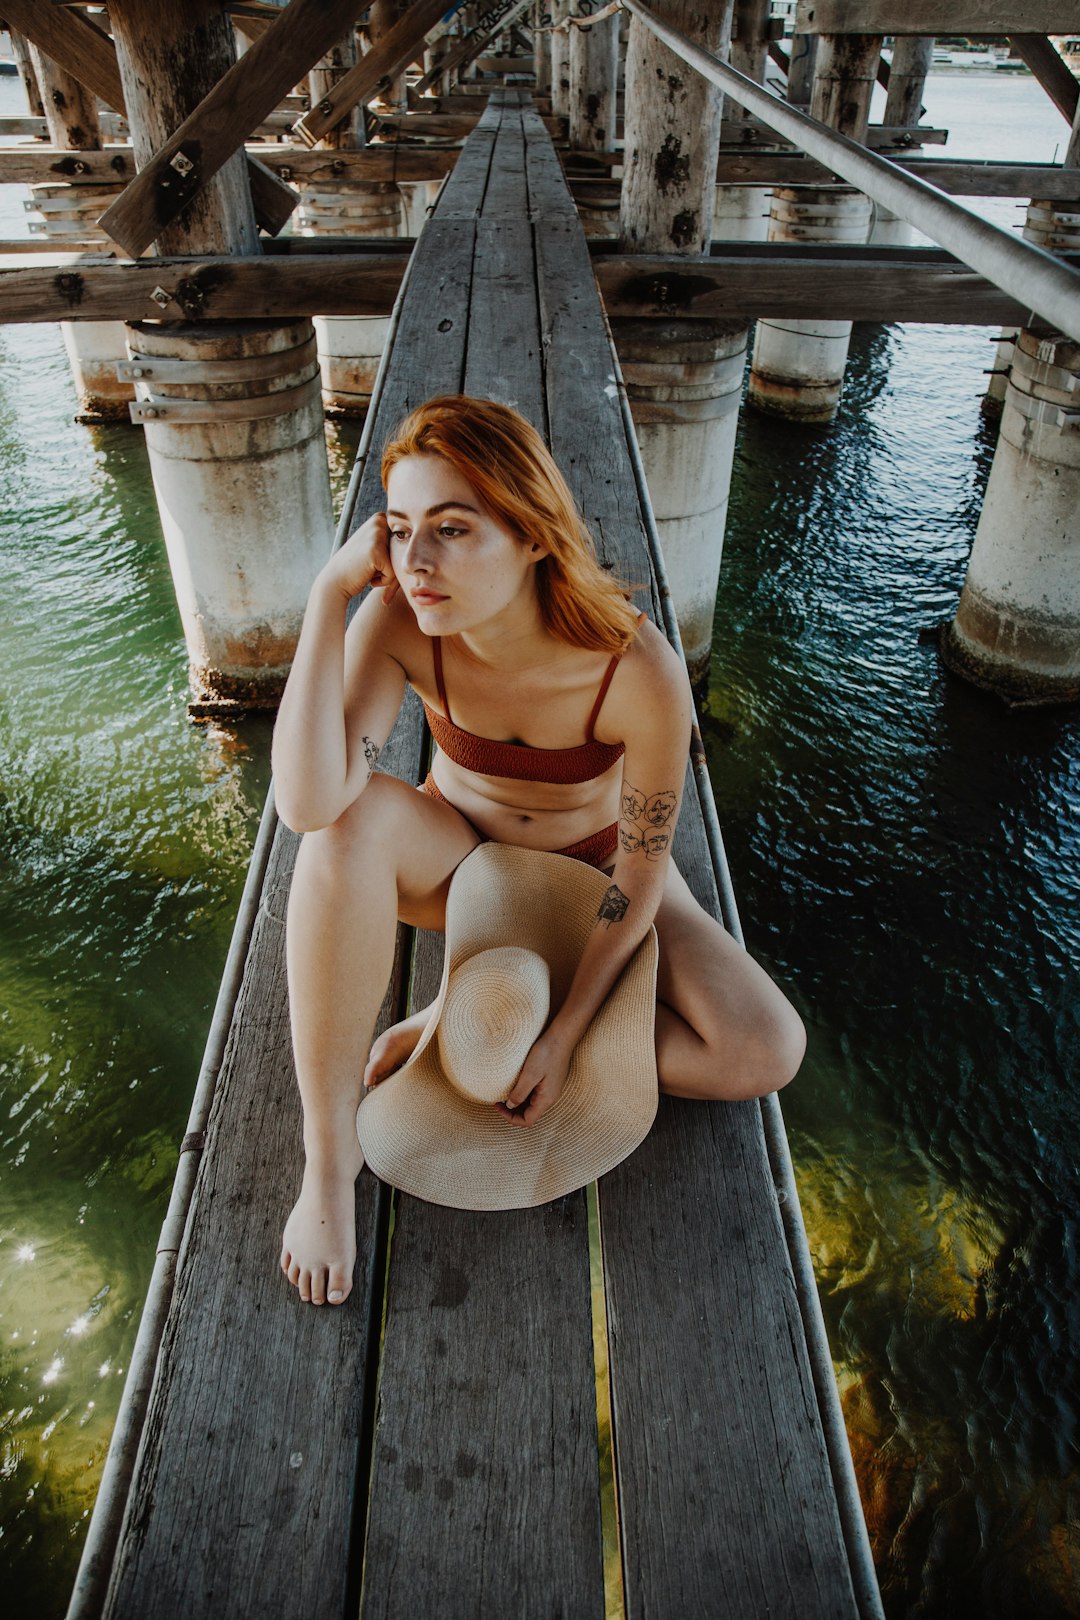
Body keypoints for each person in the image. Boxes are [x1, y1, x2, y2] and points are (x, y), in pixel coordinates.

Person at [273, 395, 805, 1307]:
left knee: (763, 1049)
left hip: (597, 874)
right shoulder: (400, 620)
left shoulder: (636, 672)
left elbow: (640, 872)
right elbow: (308, 800)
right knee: (344, 830)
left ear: (532, 536)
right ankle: (330, 1160)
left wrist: (560, 1038)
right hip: (464, 871)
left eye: (451, 528)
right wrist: (330, 598)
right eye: (399, 531)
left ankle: (482, 1014)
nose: (417, 561)